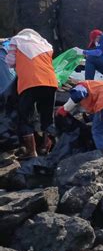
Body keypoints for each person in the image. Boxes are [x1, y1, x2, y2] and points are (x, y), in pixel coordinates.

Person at [56, 80, 103, 169]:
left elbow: (78, 94)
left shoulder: (82, 85)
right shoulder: (97, 85)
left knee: (98, 132)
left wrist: (64, 109)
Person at [6, 29, 57, 158]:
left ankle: (31, 151)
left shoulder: (16, 41)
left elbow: (10, 62)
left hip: (30, 83)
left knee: (25, 116)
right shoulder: (46, 45)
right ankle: (46, 147)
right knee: (47, 116)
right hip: (50, 82)